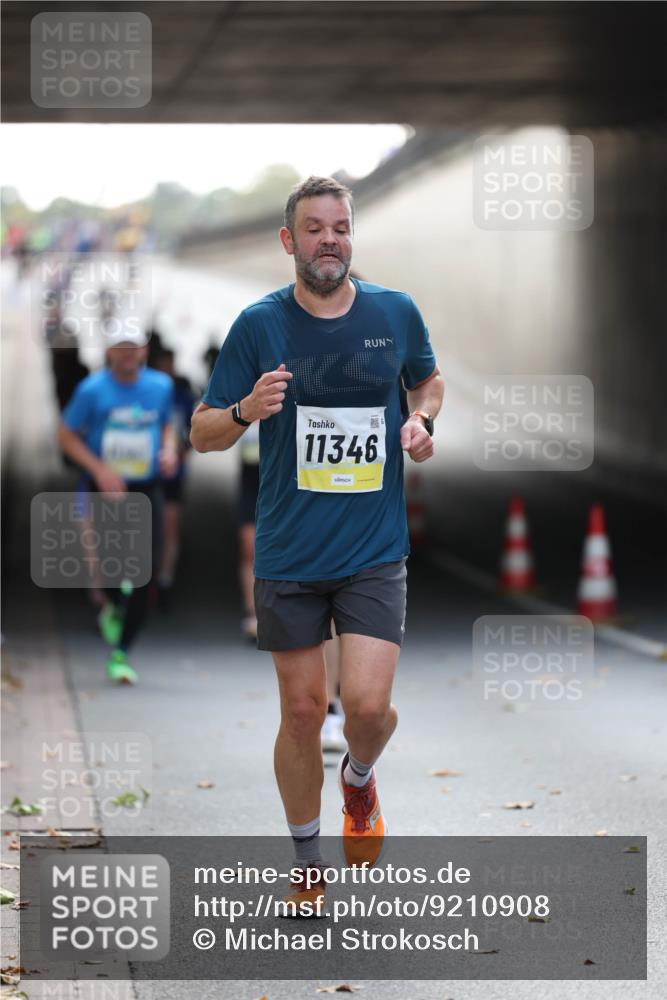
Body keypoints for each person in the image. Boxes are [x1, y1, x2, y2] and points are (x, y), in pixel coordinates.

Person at [190, 175, 443, 912]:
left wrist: (422, 422)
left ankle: (358, 781)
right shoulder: (258, 325)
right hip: (289, 552)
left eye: (339, 226)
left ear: (349, 236)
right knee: (302, 713)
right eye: (313, 227)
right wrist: (243, 409)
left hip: (372, 546)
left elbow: (427, 383)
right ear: (288, 240)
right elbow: (201, 433)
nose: (328, 238)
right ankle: (306, 859)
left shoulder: (394, 312)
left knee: (365, 709)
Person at [58, 329, 177, 684]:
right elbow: (65, 435)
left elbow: (166, 425)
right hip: (107, 489)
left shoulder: (160, 386)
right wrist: (98, 469)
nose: (128, 354)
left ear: (143, 350)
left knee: (146, 572)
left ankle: (121, 652)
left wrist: (169, 450)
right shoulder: (92, 390)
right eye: (120, 348)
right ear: (109, 350)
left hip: (147, 487)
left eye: (134, 347)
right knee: (111, 570)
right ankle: (111, 601)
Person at [150, 347, 196, 608]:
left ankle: (164, 580)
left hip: (173, 472)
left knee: (170, 526)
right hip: (145, 472)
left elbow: (197, 431)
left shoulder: (183, 396)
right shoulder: (147, 393)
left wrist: (180, 454)